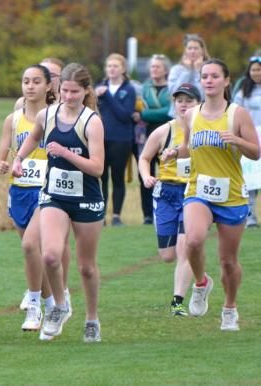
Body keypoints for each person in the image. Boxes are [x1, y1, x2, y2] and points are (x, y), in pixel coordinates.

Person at [161, 59, 259, 331]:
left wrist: (237, 140)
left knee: (228, 261)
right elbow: (187, 148)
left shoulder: (237, 114)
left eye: (215, 76)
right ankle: (201, 283)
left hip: (231, 195)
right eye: (205, 76)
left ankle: (230, 307)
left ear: (226, 81)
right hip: (198, 190)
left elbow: (255, 151)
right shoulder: (192, 114)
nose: (209, 80)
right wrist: (173, 152)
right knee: (193, 240)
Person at [12, 63, 106, 342]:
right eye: (64, 90)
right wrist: (19, 159)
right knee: (50, 255)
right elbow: (33, 137)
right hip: (54, 195)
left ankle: (92, 318)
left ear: (86, 91)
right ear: (57, 88)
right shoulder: (47, 114)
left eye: (75, 91)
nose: (68, 96)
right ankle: (59, 306)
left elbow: (98, 168)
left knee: (86, 266)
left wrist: (66, 153)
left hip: (86, 198)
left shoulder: (92, 122)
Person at [0, 64, 56, 332]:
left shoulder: (55, 117)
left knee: (31, 246)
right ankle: (53, 302)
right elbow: (2, 153)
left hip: (47, 191)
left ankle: (34, 306)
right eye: (25, 81)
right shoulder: (13, 119)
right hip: (19, 190)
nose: (30, 86)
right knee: (33, 254)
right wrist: (0, 164)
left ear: (48, 86)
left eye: (36, 81)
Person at [139, 84, 199, 316]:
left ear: (198, 104)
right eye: (179, 100)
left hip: (191, 193)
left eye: (189, 100)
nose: (183, 105)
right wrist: (146, 177)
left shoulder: (202, 131)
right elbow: (144, 157)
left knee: (185, 248)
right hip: (165, 194)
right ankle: (199, 271)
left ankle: (177, 302)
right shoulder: (163, 131)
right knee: (167, 255)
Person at [96, 53, 136, 226]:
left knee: (117, 178)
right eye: (109, 66)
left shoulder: (129, 89)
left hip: (121, 140)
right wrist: (99, 96)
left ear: (123, 69)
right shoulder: (100, 88)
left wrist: (108, 97)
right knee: (101, 177)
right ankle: (101, 215)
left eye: (115, 66)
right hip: (101, 140)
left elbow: (125, 115)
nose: (111, 69)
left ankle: (117, 216)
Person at [139, 54, 173, 224]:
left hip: (168, 133)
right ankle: (147, 215)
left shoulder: (172, 87)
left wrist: (145, 114)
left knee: (168, 170)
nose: (154, 70)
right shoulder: (144, 87)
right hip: (146, 133)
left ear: (166, 70)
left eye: (158, 67)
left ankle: (167, 209)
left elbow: (169, 111)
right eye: (152, 67)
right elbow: (136, 106)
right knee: (146, 173)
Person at [232, 55, 261, 227]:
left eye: (259, 69)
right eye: (254, 69)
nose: (257, 73)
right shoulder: (243, 91)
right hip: (250, 138)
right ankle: (250, 217)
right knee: (251, 179)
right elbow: (236, 113)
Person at [167, 34, 210, 118]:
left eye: (196, 48)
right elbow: (173, 93)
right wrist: (187, 71)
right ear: (185, 51)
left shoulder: (209, 69)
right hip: (178, 117)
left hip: (202, 115)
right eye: (190, 48)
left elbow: (204, 95)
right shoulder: (176, 69)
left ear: (202, 50)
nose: (192, 51)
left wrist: (199, 71)